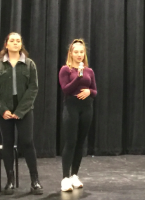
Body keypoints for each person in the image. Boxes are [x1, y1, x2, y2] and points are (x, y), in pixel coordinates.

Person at [0, 32, 43, 195]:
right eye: (12, 41)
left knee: (27, 142)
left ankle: (35, 181)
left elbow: (33, 89)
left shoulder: (29, 64)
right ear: (6, 44)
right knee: (8, 143)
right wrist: (3, 109)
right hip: (3, 111)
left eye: (18, 41)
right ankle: (10, 181)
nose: (15, 43)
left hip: (23, 110)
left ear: (21, 44)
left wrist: (20, 111)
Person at [58, 39, 97, 192]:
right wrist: (78, 77)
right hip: (72, 107)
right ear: (71, 54)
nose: (79, 55)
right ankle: (65, 178)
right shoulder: (65, 70)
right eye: (76, 52)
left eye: (82, 52)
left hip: (86, 108)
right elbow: (66, 89)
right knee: (71, 142)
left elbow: (95, 91)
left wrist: (89, 92)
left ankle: (74, 175)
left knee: (81, 142)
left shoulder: (90, 71)